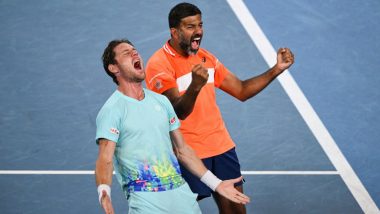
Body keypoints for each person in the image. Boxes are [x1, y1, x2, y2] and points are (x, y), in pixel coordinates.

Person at [145, 2, 295, 214]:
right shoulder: (159, 64)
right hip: (187, 154)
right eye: (190, 27)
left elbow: (241, 90)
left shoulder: (207, 58)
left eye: (200, 25)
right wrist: (195, 85)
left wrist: (277, 69)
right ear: (174, 31)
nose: (198, 32)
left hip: (221, 148)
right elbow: (178, 112)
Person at [95, 39, 250, 214]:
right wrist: (104, 192)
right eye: (126, 53)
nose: (135, 53)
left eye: (135, 50)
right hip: (147, 202)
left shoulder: (161, 102)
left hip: (182, 199)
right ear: (114, 68)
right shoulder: (112, 110)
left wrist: (217, 184)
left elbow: (183, 151)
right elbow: (105, 158)